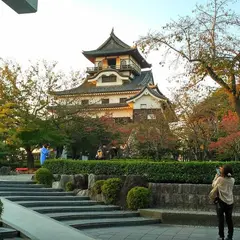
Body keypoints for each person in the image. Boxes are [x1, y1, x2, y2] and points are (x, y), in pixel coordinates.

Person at [212, 165, 235, 240]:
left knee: (221, 220)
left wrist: (216, 176)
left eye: (222, 169)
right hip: (230, 202)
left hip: (221, 202)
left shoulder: (220, 179)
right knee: (229, 220)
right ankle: (230, 236)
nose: (221, 169)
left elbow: (213, 185)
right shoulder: (233, 180)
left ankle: (221, 236)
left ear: (224, 172)